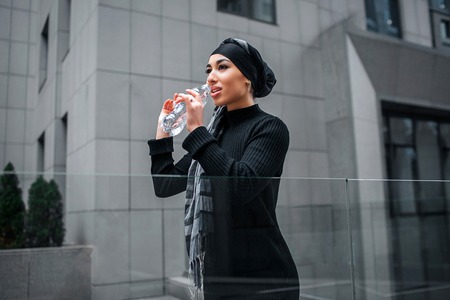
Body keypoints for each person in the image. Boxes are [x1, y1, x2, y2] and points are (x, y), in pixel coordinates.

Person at [148, 38, 299, 299]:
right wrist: (163, 131)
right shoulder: (214, 136)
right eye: (208, 70)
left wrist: (196, 130)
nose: (211, 78)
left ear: (247, 79)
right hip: (217, 277)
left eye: (222, 67)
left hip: (264, 278)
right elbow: (165, 184)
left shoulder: (269, 128)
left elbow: (241, 186)